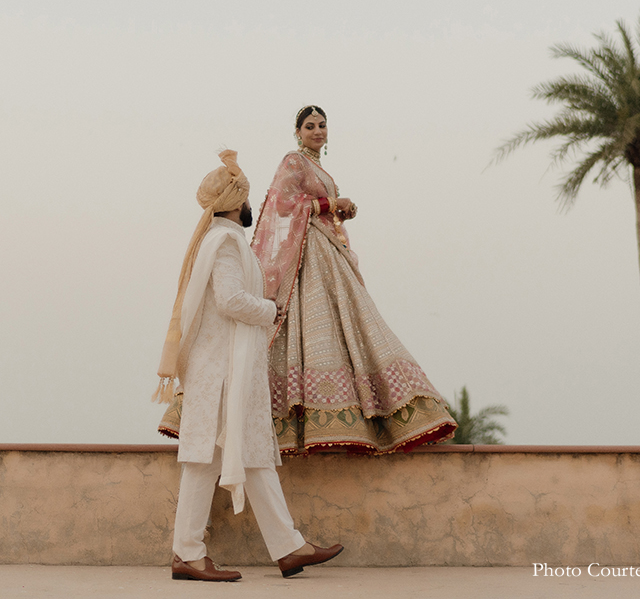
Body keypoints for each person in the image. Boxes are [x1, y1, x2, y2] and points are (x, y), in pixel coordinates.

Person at [154, 150, 343, 582]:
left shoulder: (222, 239)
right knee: (206, 459)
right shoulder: (224, 242)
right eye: (247, 199)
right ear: (234, 202)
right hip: (222, 373)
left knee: (252, 452)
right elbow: (230, 300)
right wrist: (270, 310)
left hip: (230, 371)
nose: (250, 206)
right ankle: (187, 553)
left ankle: (289, 547)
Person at [250, 105, 457, 454]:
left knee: (348, 318)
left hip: (327, 247)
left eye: (322, 125)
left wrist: (336, 208)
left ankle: (363, 412)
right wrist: (330, 203)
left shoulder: (319, 166)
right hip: (309, 250)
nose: (318, 131)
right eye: (310, 126)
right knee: (312, 322)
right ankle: (304, 414)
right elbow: (282, 203)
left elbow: (310, 203)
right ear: (298, 132)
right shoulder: (294, 162)